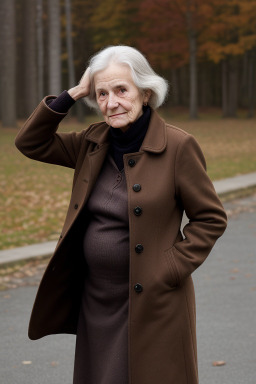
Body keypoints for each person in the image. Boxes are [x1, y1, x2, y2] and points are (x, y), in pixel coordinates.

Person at [15, 45, 227, 384]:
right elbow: (31, 143)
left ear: (145, 93)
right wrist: (74, 93)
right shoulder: (92, 141)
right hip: (97, 299)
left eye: (121, 90)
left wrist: (170, 267)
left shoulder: (178, 146)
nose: (111, 102)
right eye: (101, 93)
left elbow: (211, 218)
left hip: (154, 300)